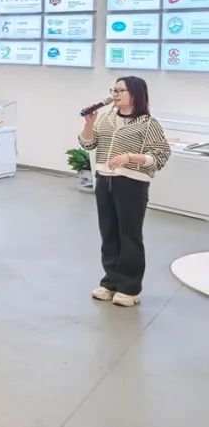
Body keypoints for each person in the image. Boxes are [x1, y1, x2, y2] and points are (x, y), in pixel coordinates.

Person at [78, 77, 171, 307]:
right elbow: (88, 144)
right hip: (104, 179)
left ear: (136, 94)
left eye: (121, 90)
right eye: (114, 90)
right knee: (108, 233)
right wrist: (89, 123)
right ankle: (110, 282)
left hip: (132, 183)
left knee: (129, 234)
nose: (115, 94)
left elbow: (161, 154)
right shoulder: (106, 118)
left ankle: (129, 287)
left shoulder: (148, 124)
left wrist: (130, 157)